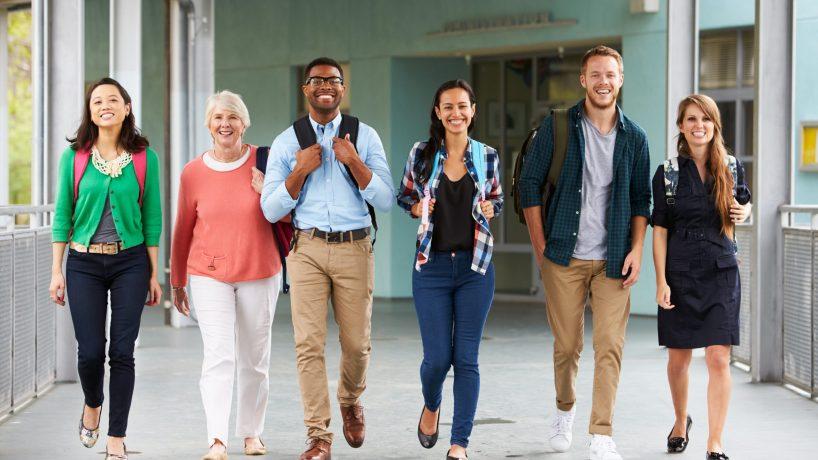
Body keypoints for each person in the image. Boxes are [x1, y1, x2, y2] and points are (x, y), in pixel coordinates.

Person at [518, 45, 651, 460]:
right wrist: (541, 248)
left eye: (610, 74)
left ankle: (601, 432)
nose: (603, 81)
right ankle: (564, 410)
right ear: (583, 79)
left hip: (613, 257)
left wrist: (637, 250)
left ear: (620, 79)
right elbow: (528, 186)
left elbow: (642, 200)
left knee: (609, 344)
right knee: (567, 345)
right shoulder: (557, 126)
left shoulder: (636, 137)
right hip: (563, 254)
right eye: (596, 74)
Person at [260, 57, 394, 460]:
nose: (325, 86)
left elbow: (386, 200)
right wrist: (298, 172)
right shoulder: (288, 142)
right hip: (308, 249)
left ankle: (351, 399)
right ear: (305, 89)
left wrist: (353, 161)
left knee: (357, 344)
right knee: (308, 345)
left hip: (355, 247)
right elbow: (269, 208)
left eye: (333, 80)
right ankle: (318, 436)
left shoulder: (364, 136)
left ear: (342, 88)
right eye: (316, 80)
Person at [49, 77, 162, 460]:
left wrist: (152, 272)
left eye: (113, 99)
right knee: (91, 352)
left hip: (129, 261)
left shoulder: (145, 157)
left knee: (123, 352)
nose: (104, 105)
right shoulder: (75, 157)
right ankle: (92, 404)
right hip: (82, 263)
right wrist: (56, 269)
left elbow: (152, 216)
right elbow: (63, 214)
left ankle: (117, 437)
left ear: (127, 108)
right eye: (97, 101)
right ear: (91, 111)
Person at [170, 90, 283, 460]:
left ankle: (252, 433)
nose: (225, 124)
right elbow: (183, 228)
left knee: (254, 357)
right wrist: (176, 281)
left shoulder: (267, 163)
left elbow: (291, 217)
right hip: (208, 274)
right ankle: (217, 438)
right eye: (218, 117)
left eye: (233, 117)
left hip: (260, 269)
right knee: (219, 355)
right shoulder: (193, 173)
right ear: (208, 124)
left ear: (244, 123)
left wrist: (268, 192)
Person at [397, 79, 503, 460]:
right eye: (448, 107)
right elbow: (405, 196)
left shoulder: (487, 155)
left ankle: (460, 443)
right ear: (438, 113)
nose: (456, 113)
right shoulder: (422, 153)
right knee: (438, 358)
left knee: (467, 358)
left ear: (473, 110)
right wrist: (420, 209)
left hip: (476, 267)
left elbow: (496, 198)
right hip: (432, 268)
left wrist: (492, 208)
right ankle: (431, 402)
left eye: (463, 106)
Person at [652, 94, 751, 460]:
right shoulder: (668, 173)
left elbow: (744, 201)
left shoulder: (731, 167)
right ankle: (681, 421)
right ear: (681, 126)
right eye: (691, 119)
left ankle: (715, 442)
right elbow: (659, 230)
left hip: (721, 272)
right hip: (679, 274)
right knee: (679, 359)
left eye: (705, 119)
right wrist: (661, 280)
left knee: (718, 358)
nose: (699, 126)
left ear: (715, 125)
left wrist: (746, 209)